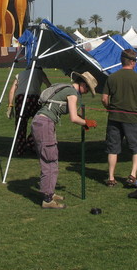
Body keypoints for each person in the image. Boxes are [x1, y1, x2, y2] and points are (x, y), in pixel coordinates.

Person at [30, 71, 98, 209]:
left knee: (51, 159)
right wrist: (86, 122)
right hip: (45, 124)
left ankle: (50, 192)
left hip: (41, 122)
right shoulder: (72, 93)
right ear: (83, 84)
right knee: (49, 161)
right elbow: (74, 118)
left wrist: (83, 120)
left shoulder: (66, 88)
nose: (85, 93)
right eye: (87, 89)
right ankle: (48, 200)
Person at [101, 49, 137, 188]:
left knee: (113, 148)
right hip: (132, 118)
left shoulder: (112, 77)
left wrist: (109, 108)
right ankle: (133, 175)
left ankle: (111, 177)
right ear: (133, 62)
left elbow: (104, 98)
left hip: (114, 117)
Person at [7, 66, 51, 155]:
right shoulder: (40, 73)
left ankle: (20, 149)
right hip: (34, 98)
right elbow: (49, 86)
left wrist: (10, 105)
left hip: (20, 99)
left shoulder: (20, 74)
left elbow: (12, 91)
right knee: (39, 122)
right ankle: (31, 142)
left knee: (20, 124)